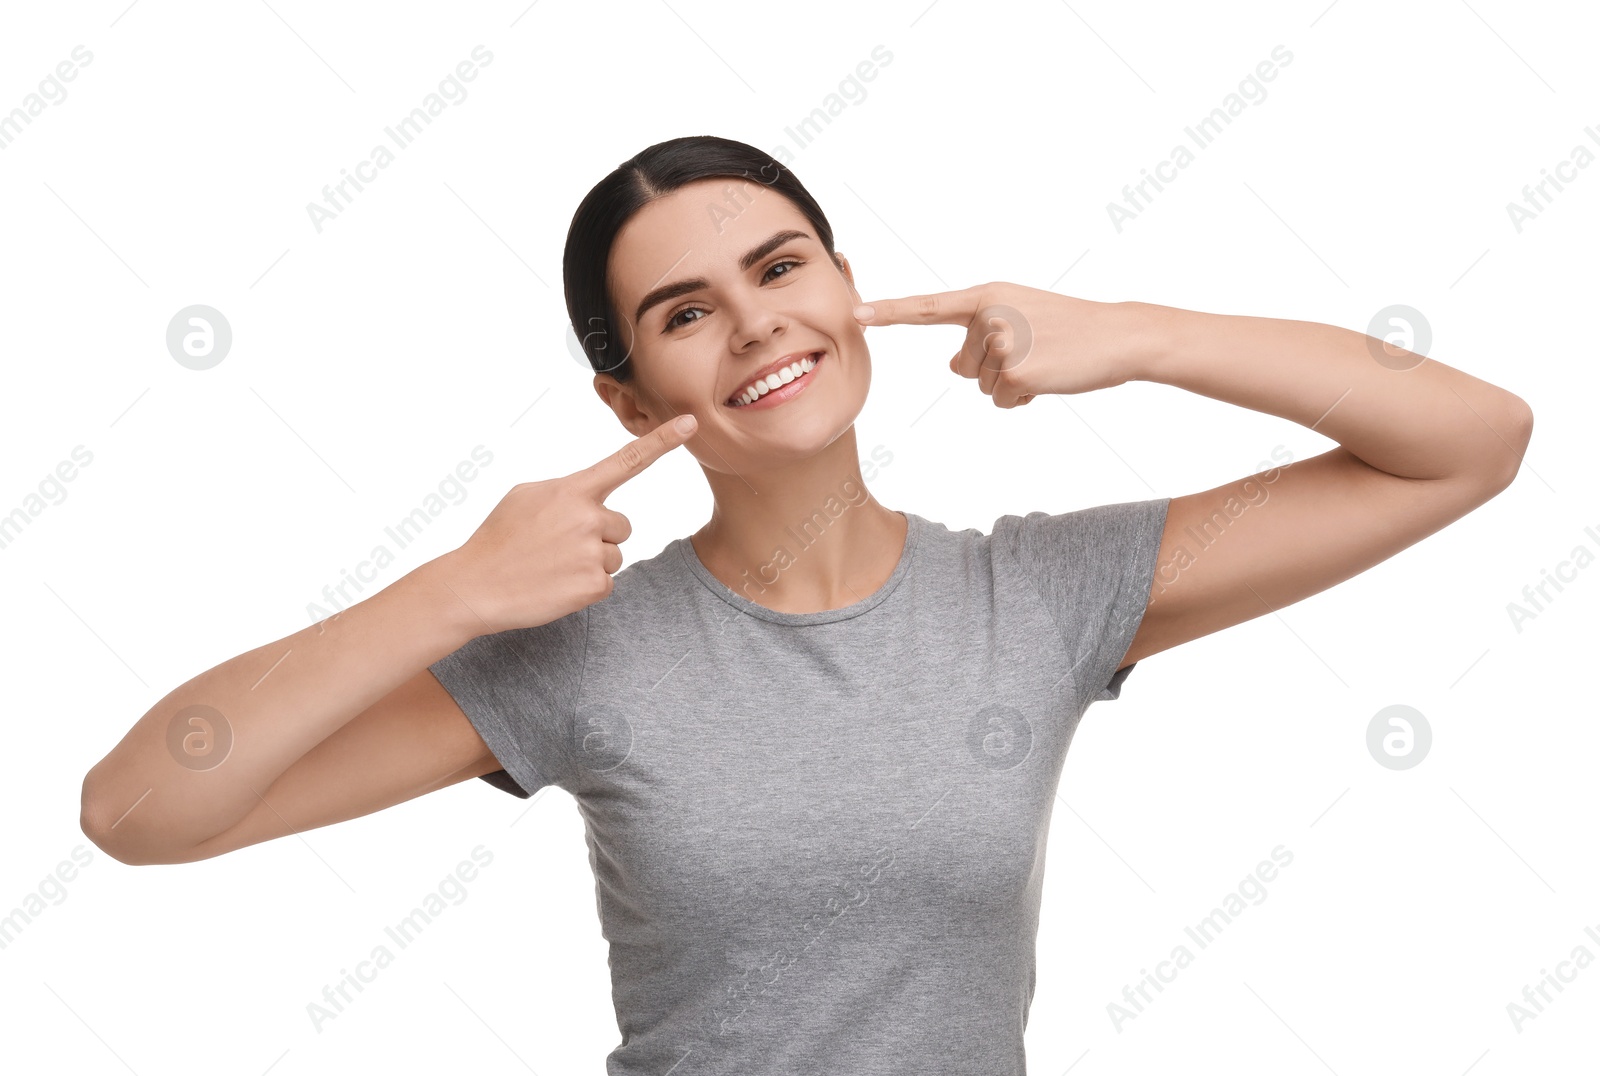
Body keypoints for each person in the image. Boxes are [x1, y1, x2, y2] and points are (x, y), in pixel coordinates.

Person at [80, 135, 1533, 1073]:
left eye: (780, 266)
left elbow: (1471, 440)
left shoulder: (1037, 596)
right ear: (628, 392)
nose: (759, 317)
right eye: (687, 309)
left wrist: (1140, 335)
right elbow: (140, 812)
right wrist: (446, 593)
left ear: (844, 287)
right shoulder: (584, 653)